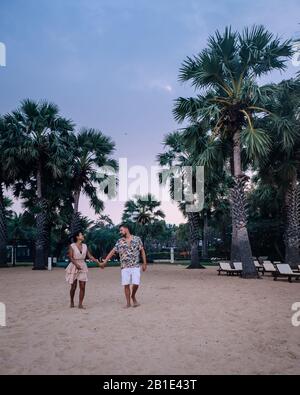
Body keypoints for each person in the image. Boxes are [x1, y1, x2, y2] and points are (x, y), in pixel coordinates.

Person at [101, 224, 147, 308]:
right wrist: (105, 261)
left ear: (126, 229)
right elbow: (112, 251)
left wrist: (144, 263)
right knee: (126, 284)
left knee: (136, 283)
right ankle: (128, 303)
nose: (120, 232)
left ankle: (133, 296)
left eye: (121, 230)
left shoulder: (137, 239)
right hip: (124, 266)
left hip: (135, 265)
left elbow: (142, 251)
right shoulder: (119, 241)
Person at [65, 231, 100, 309]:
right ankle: (72, 301)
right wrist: (76, 264)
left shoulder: (85, 246)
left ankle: (80, 304)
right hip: (74, 265)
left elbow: (89, 256)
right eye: (81, 235)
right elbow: (70, 257)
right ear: (77, 237)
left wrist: (97, 261)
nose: (83, 235)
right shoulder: (72, 246)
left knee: (83, 286)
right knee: (73, 286)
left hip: (83, 266)